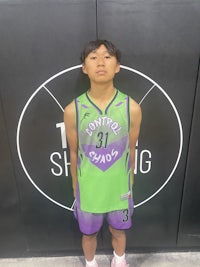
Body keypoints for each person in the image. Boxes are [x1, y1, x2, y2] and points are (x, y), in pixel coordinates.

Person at [64, 40, 142, 267]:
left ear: (117, 66)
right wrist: (77, 189)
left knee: (119, 230)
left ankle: (119, 260)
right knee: (88, 235)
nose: (100, 62)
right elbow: (74, 154)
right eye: (93, 57)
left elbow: (132, 151)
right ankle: (90, 263)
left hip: (119, 189)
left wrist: (129, 187)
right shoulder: (73, 110)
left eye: (107, 57)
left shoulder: (132, 108)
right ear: (84, 67)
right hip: (89, 190)